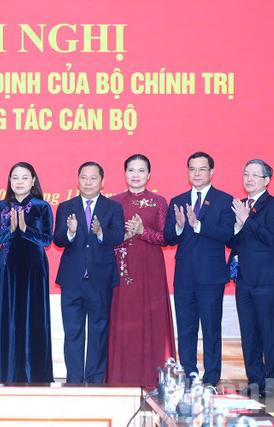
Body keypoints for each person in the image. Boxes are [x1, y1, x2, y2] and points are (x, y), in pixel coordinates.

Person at [164, 151, 234, 386]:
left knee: (212, 329)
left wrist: (198, 225)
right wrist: (180, 227)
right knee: (185, 329)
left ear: (212, 172)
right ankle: (189, 377)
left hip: (211, 277)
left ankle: (212, 377)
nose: (197, 173)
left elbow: (227, 234)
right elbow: (168, 239)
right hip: (184, 277)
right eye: (192, 169)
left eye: (202, 169)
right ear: (187, 172)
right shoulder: (178, 200)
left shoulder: (225, 200)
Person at [106, 154, 175, 386]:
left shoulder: (159, 201)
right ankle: (121, 376)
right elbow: (108, 239)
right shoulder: (114, 202)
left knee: (151, 319)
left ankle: (152, 377)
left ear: (149, 174)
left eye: (141, 170)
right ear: (124, 173)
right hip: (122, 270)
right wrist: (125, 236)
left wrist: (142, 231)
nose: (136, 175)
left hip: (151, 270)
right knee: (123, 320)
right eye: (131, 170)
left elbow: (166, 238)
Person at [53, 161, 124, 383]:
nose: (88, 182)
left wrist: (101, 232)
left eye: (93, 178)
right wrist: (70, 233)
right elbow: (57, 239)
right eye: (84, 177)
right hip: (72, 280)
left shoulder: (113, 207)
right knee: (72, 332)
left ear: (102, 182)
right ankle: (74, 379)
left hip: (100, 280)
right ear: (78, 180)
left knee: (98, 332)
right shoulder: (66, 207)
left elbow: (118, 236)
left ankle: (95, 380)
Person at [0, 162, 53, 383]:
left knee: (34, 319)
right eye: (15, 177)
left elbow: (46, 240)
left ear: (33, 181)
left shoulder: (42, 207)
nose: (19, 182)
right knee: (7, 319)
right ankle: (6, 373)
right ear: (9, 181)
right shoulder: (0, 206)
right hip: (7, 268)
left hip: (34, 269)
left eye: (24, 177)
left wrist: (26, 229)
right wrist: (12, 229)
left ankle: (36, 374)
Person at [228, 159, 274, 399]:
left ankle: (271, 384)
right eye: (245, 174)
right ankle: (254, 381)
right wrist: (238, 226)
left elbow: (272, 239)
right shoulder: (239, 205)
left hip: (266, 279)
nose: (249, 179)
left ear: (266, 180)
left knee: (270, 332)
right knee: (249, 332)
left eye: (254, 175)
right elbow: (231, 241)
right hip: (243, 279)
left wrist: (246, 221)